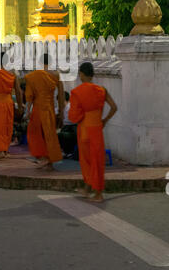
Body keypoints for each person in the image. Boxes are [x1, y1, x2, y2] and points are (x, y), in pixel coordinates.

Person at [69, 62, 117, 203]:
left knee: (87, 161)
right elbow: (114, 107)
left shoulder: (77, 92)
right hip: (97, 128)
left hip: (84, 129)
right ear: (93, 74)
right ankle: (90, 189)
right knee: (97, 160)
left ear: (82, 74)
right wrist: (104, 120)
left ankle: (98, 194)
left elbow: (74, 116)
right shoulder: (102, 90)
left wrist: (82, 116)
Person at [25, 54, 64, 170]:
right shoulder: (55, 74)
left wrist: (27, 111)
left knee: (35, 134)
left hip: (37, 108)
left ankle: (43, 158)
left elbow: (29, 96)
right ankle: (49, 162)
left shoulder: (33, 75)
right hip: (50, 108)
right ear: (50, 63)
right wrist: (61, 111)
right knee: (49, 134)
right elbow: (61, 94)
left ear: (39, 63)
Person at [58, 91, 78, 160]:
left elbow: (73, 120)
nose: (58, 103)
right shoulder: (62, 108)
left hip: (72, 128)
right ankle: (66, 152)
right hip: (66, 127)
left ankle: (69, 152)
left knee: (61, 135)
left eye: (59, 101)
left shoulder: (69, 107)